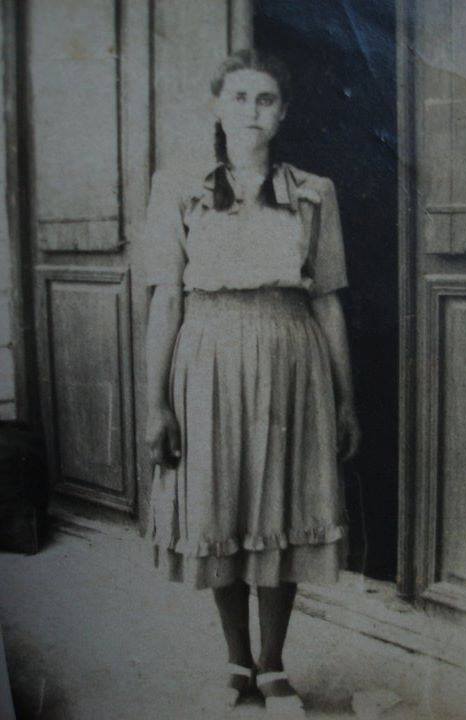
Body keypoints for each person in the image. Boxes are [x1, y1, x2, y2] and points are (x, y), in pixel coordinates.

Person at [144, 48, 360, 718]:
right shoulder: (177, 188)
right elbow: (165, 300)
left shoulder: (314, 192)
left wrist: (346, 399)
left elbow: (328, 301)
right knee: (222, 508)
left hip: (293, 361)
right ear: (217, 106)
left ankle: (273, 667)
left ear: (283, 112)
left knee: (282, 509)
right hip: (206, 359)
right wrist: (155, 403)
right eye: (238, 97)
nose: (251, 111)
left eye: (265, 99)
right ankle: (236, 661)